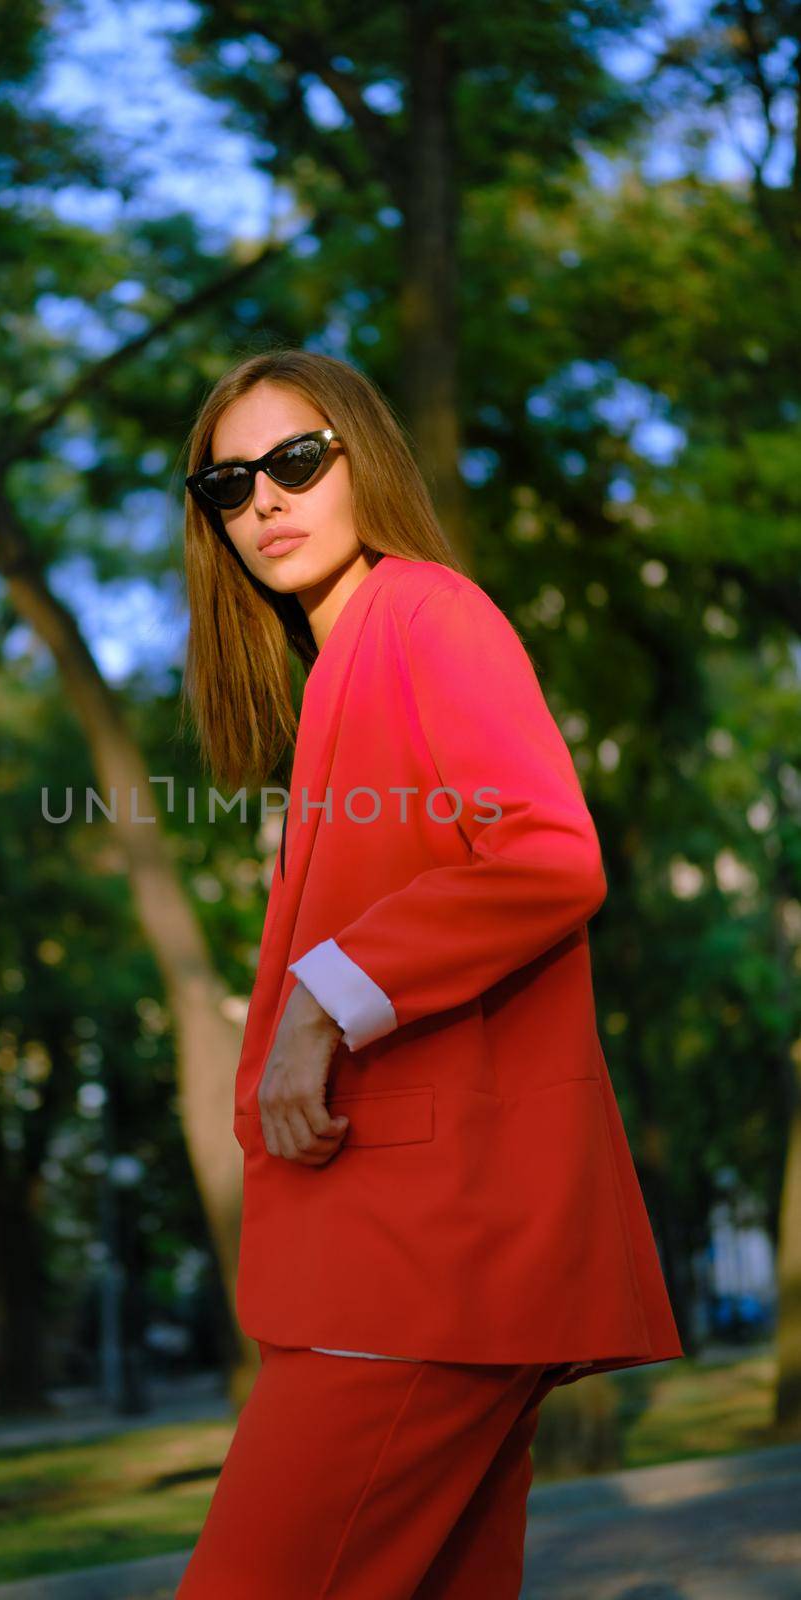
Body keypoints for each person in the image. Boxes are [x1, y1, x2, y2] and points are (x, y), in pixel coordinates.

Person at [174, 348, 684, 1598]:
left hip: (418, 1262)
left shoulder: (423, 611)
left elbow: (546, 852)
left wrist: (318, 998)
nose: (264, 503)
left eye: (295, 461)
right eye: (228, 485)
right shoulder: (341, 671)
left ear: (363, 460)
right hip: (415, 1260)